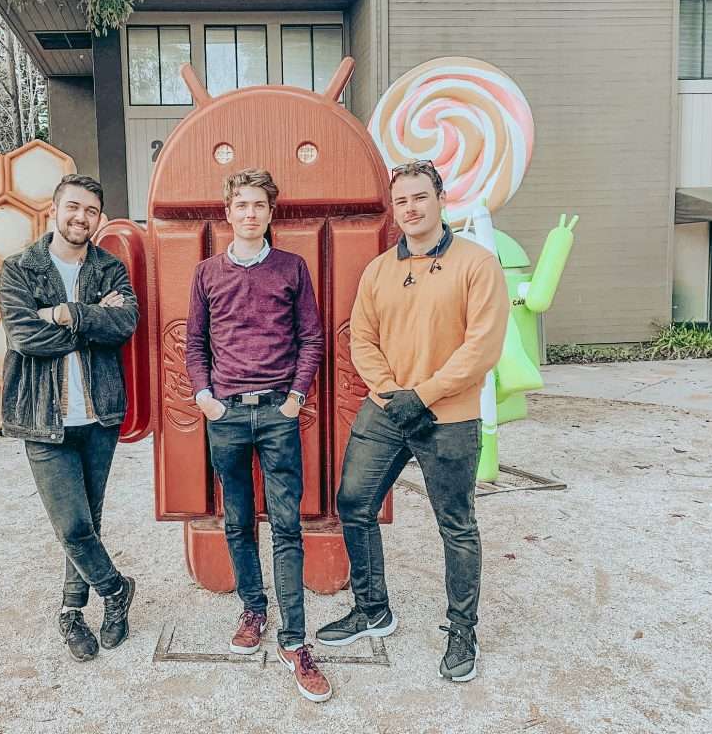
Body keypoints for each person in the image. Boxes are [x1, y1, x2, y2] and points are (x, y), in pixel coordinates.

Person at [316, 160, 508, 683]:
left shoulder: (476, 263)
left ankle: (463, 629)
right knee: (353, 503)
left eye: (420, 197)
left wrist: (423, 395)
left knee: (456, 525)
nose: (410, 208)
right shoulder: (379, 270)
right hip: (387, 410)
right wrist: (389, 392)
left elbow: (482, 346)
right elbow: (363, 339)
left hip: (448, 415)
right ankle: (372, 608)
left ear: (440, 199)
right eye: (401, 201)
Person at [185, 168, 331, 702]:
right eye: (241, 204)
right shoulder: (206, 273)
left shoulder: (292, 268)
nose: (250, 213)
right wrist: (204, 395)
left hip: (277, 412)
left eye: (259, 206)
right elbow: (194, 342)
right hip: (225, 416)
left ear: (271, 214)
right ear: (228, 212)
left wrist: (295, 397)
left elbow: (311, 337)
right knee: (238, 521)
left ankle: (295, 641)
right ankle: (254, 609)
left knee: (287, 525)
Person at [0, 174, 139, 662]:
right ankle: (116, 590)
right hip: (42, 417)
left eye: (91, 212)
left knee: (88, 522)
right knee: (72, 525)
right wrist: (87, 318)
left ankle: (72, 610)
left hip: (100, 415)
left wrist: (60, 314)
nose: (81, 218)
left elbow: (124, 324)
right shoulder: (20, 269)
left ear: (99, 220)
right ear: (53, 210)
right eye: (73, 208)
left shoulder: (110, 268)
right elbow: (24, 338)